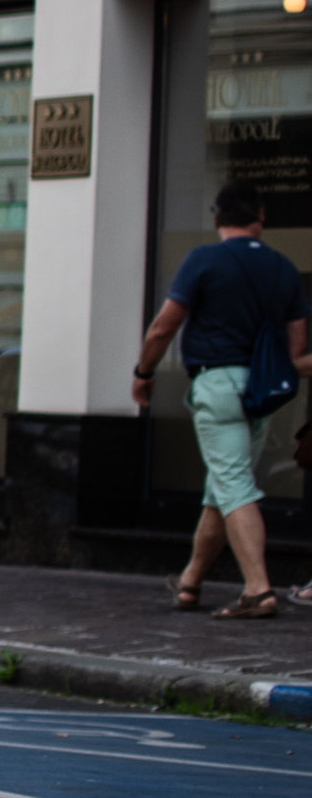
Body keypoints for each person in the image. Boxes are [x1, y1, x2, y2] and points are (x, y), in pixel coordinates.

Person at [133, 180, 310, 618]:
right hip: (262, 393)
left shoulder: (204, 260)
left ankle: (258, 590)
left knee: (233, 486)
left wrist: (143, 373)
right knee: (223, 486)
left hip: (218, 386)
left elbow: (162, 327)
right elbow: (296, 353)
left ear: (216, 218)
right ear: (261, 218)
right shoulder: (283, 268)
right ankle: (191, 582)